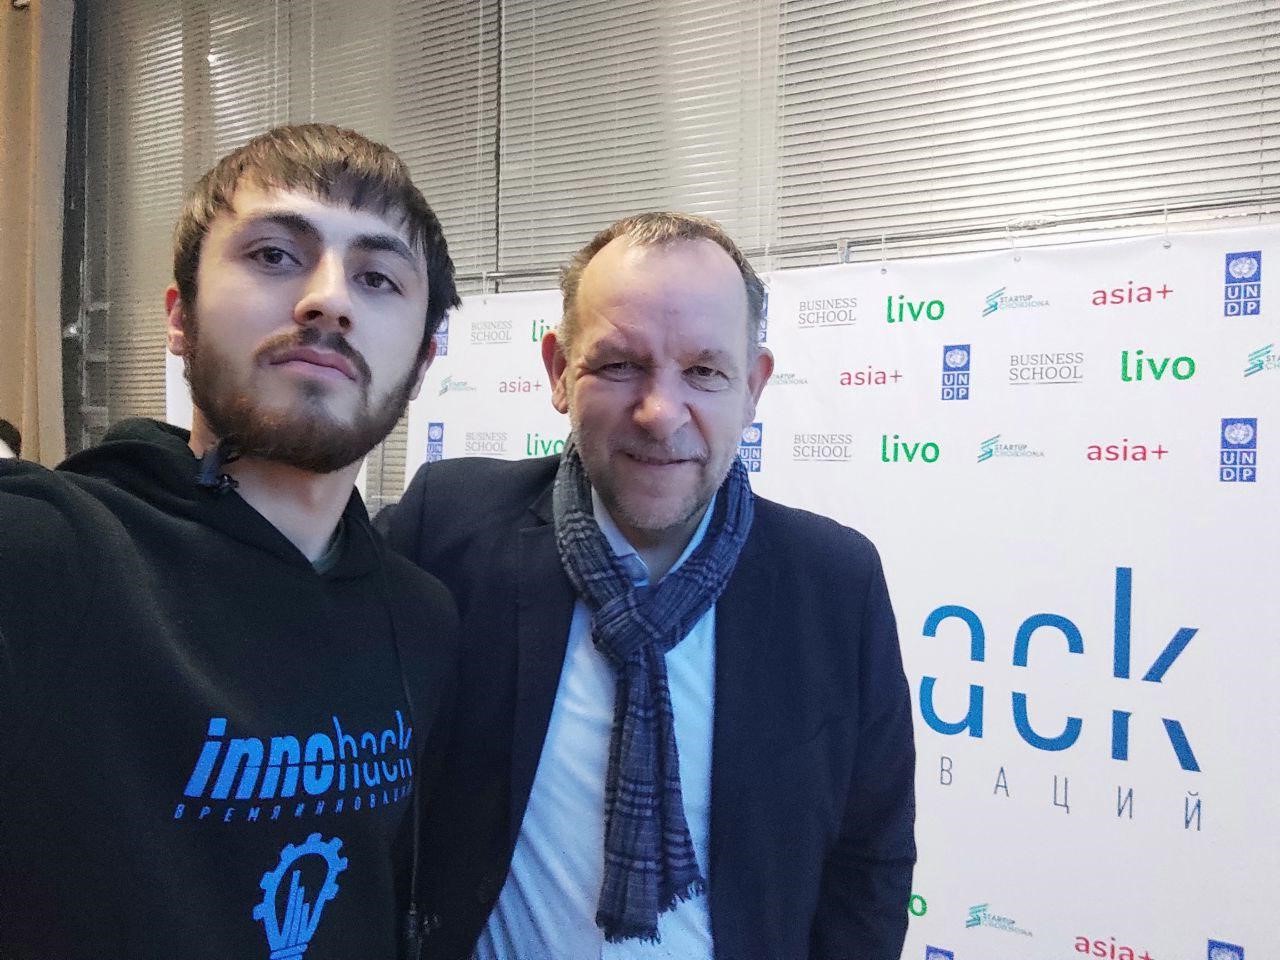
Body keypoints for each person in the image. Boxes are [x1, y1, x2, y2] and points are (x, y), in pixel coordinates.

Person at [380, 212, 917, 960]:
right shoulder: (448, 530)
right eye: (620, 365)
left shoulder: (834, 585)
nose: (661, 414)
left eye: (704, 371)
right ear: (558, 371)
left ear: (753, 386)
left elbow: (869, 862)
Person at [0, 123, 460, 959]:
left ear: (424, 359)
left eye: (378, 277)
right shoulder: (46, 554)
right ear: (179, 319)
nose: (329, 300)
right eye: (275, 256)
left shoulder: (422, 619)